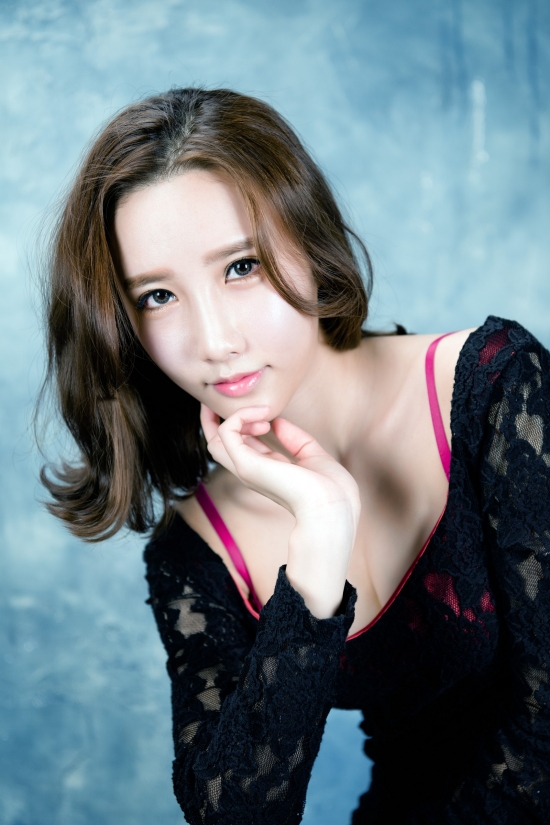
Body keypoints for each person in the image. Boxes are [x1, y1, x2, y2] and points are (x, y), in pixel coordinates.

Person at [39, 87, 550, 824]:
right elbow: (237, 814)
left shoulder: (497, 389)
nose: (215, 340)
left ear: (310, 242)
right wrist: (317, 545)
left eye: (241, 266)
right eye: (156, 296)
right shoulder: (196, 549)